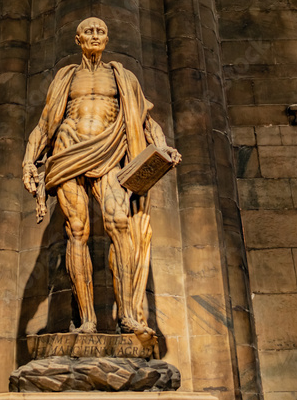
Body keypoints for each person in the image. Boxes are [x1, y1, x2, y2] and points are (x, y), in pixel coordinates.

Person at [22, 18, 181, 336]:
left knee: (119, 225)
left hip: (109, 152)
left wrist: (162, 148)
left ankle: (127, 316)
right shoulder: (66, 77)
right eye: (89, 31)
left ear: (107, 39)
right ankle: (87, 321)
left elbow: (145, 120)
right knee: (77, 231)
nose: (95, 35)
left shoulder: (122, 77)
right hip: (68, 150)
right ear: (77, 38)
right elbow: (44, 125)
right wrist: (29, 161)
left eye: (101, 31)